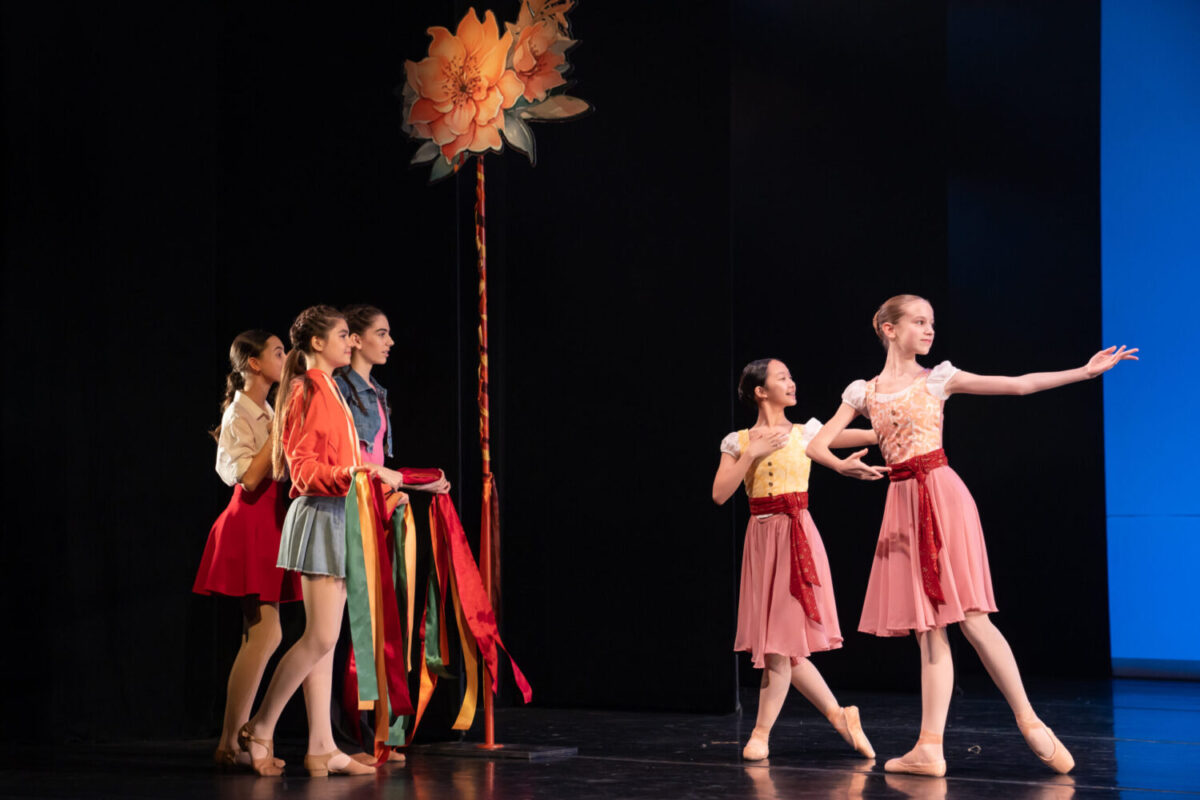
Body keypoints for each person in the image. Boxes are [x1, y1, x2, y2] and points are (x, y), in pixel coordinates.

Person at [806, 294, 1137, 777]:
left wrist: (1083, 373)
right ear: (888, 328)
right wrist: (844, 466)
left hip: (940, 495)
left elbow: (1018, 386)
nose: (929, 330)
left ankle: (1029, 720)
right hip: (902, 502)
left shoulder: (937, 377)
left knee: (972, 617)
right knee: (929, 628)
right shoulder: (864, 391)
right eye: (919, 322)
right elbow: (818, 441)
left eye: (932, 323)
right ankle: (930, 747)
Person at [236, 305, 409, 777]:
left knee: (327, 642)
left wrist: (380, 484)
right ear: (317, 344)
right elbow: (305, 469)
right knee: (320, 635)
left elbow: (344, 459)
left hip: (341, 515)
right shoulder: (304, 389)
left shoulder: (329, 387)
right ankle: (261, 725)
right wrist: (362, 472)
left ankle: (320, 746)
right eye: (342, 336)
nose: (350, 343)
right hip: (319, 516)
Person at [712, 358, 879, 762]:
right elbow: (720, 494)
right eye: (782, 377)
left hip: (796, 536)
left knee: (778, 646)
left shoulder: (808, 433)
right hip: (762, 539)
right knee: (783, 647)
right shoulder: (737, 441)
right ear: (760, 391)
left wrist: (895, 414)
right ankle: (840, 717)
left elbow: (873, 434)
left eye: (790, 377)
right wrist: (751, 455)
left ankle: (761, 734)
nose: (792, 382)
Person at [194, 330, 300, 771]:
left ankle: (233, 739)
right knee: (266, 634)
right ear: (254, 364)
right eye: (277, 352)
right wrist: (281, 434)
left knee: (258, 634)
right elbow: (248, 478)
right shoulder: (240, 412)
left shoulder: (267, 408)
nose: (285, 358)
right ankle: (235, 737)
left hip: (270, 521)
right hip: (250, 521)